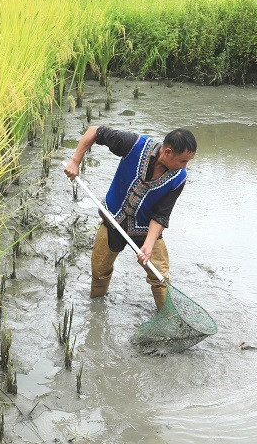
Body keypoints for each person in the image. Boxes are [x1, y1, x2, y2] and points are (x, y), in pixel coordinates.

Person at [63, 125, 196, 310]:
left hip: (145, 228)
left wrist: (148, 246)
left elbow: (161, 215)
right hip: (114, 220)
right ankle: (96, 310)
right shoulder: (134, 145)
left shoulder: (178, 178)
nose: (185, 167)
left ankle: (168, 317)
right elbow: (94, 131)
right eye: (183, 161)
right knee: (100, 270)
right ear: (168, 152)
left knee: (160, 277)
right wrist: (75, 161)